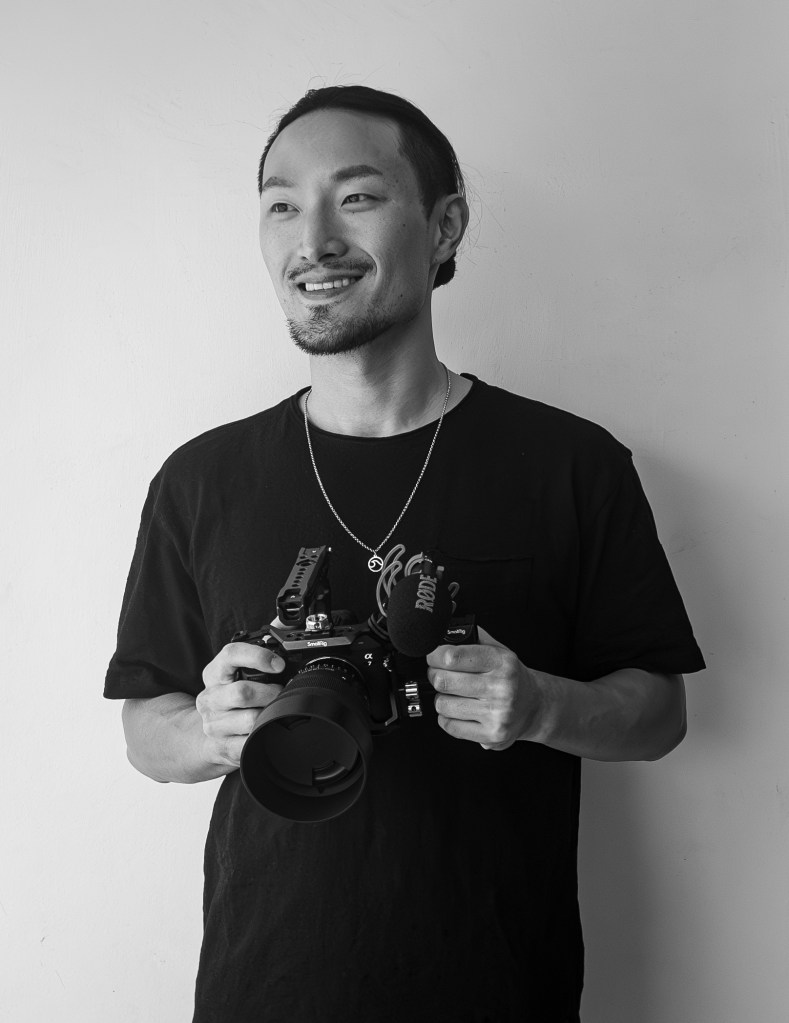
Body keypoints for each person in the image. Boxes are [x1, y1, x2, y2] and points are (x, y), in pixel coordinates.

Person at [105, 85, 705, 1023]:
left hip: (500, 988)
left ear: (443, 226)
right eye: (280, 205)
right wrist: (210, 731)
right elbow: (147, 725)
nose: (312, 240)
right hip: (264, 989)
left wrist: (540, 704)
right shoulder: (200, 479)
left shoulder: (571, 464)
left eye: (355, 196)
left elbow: (658, 713)